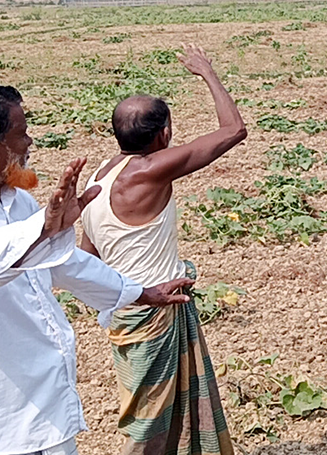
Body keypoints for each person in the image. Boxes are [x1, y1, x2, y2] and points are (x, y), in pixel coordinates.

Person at [0, 81, 191, 455]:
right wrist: (40, 230)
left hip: (46, 408)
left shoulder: (16, 202)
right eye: (22, 135)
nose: (30, 143)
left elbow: (64, 263)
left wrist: (139, 292)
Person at [79, 45, 246, 455]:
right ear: (163, 135)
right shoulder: (149, 171)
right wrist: (208, 71)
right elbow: (234, 131)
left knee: (153, 413)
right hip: (153, 312)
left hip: (124, 312)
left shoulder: (99, 177)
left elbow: (88, 255)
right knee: (150, 427)